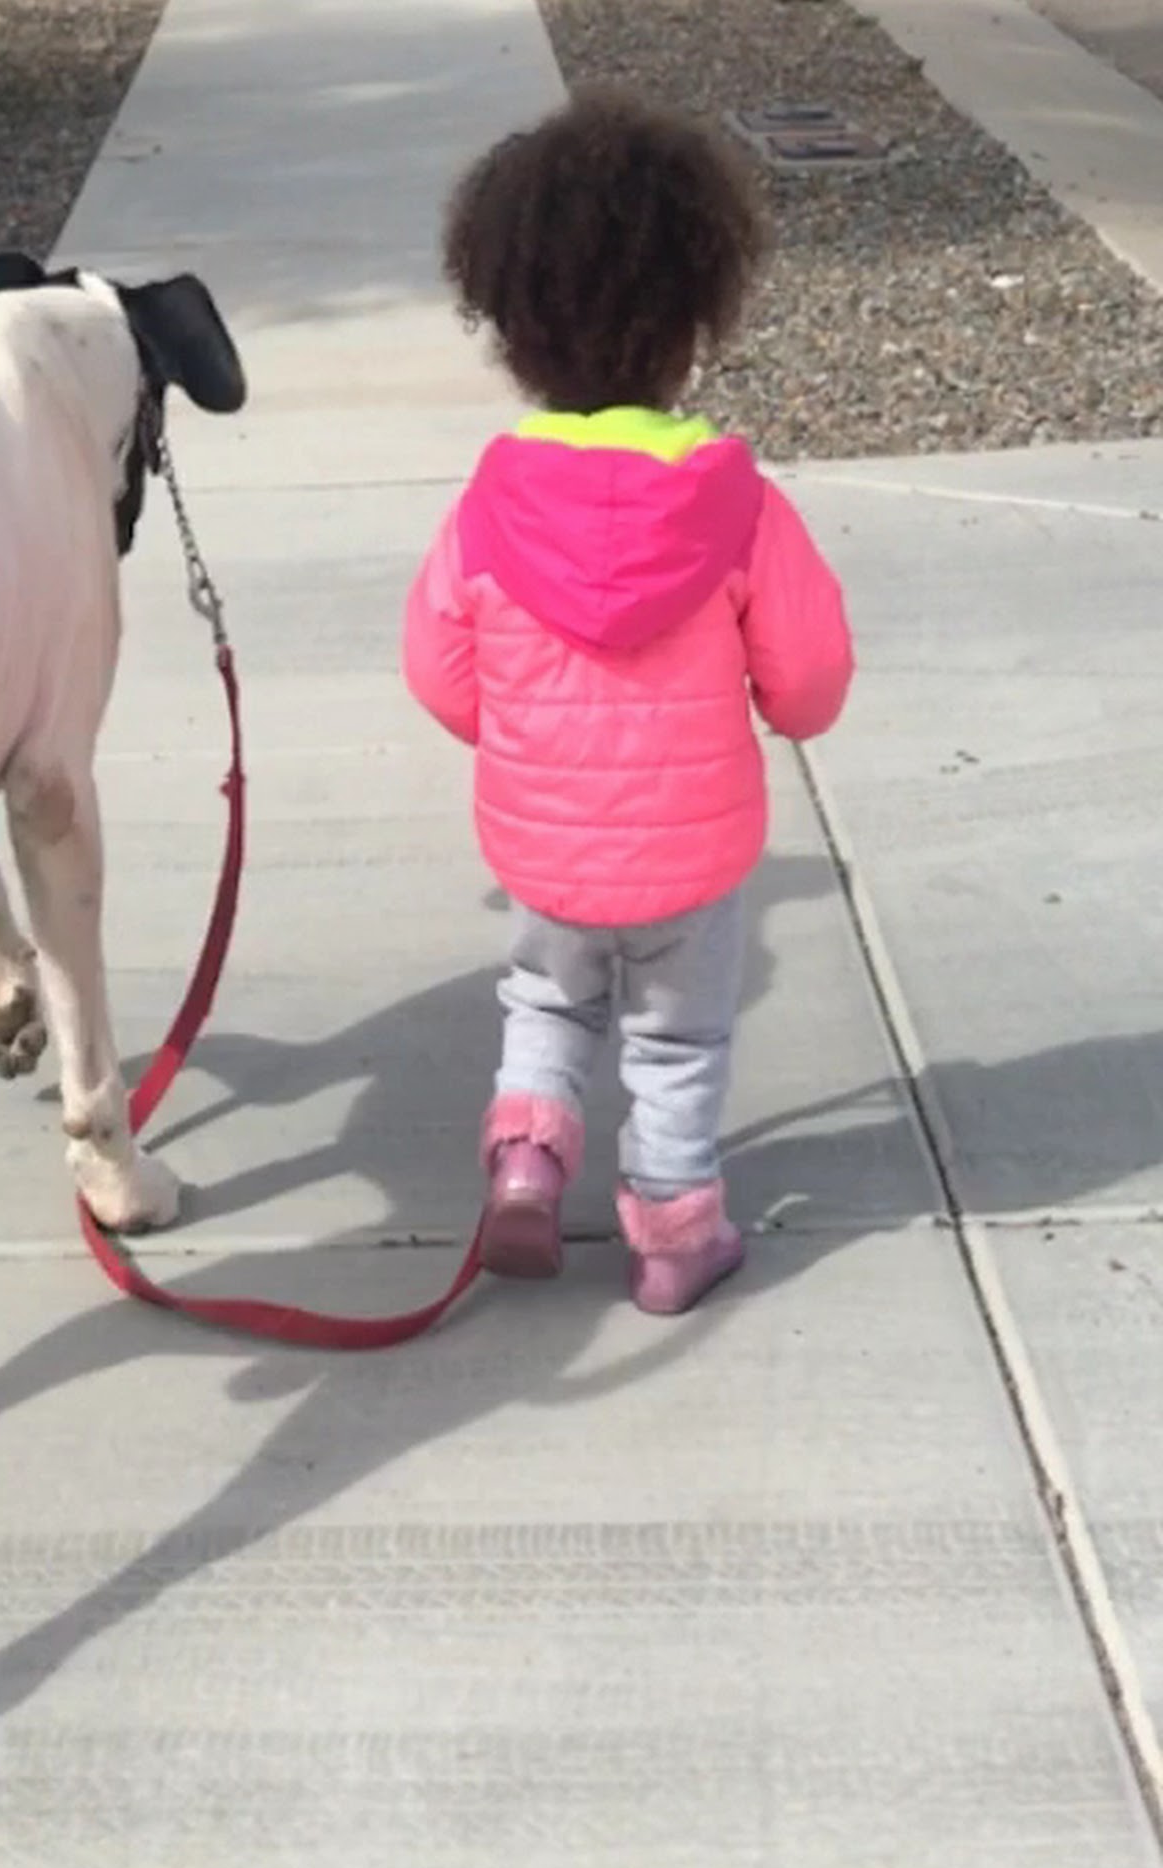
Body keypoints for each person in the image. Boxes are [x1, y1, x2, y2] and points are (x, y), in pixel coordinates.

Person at [402, 91, 856, 1315]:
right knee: (675, 1041)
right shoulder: (735, 506)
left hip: (544, 848)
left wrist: (517, 735)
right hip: (691, 859)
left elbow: (438, 669)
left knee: (546, 995)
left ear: (511, 325)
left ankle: (526, 1158)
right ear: (690, 322)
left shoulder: (492, 503)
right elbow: (808, 684)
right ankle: (670, 1231)